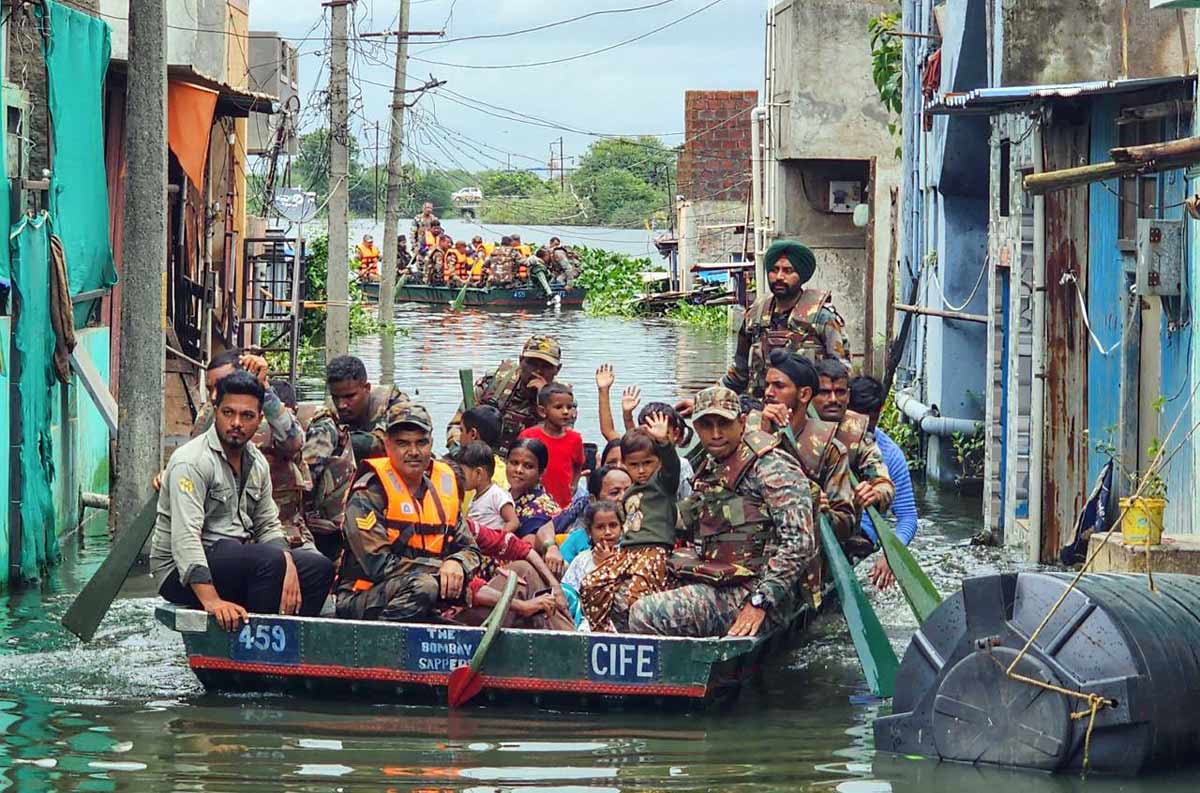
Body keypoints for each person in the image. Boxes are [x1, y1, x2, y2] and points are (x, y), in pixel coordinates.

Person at [629, 387, 818, 638]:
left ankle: (681, 674)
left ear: (741, 422)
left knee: (645, 613)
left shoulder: (771, 467)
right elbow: (687, 518)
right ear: (696, 428)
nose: (715, 434)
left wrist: (760, 601)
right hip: (719, 577)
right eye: (707, 425)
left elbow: (799, 543)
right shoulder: (712, 465)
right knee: (623, 598)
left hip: (761, 591)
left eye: (724, 424)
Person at [151, 371, 334, 629]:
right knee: (265, 561)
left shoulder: (256, 462)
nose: (236, 422)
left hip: (234, 559)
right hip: (180, 573)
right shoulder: (190, 461)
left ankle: (290, 644)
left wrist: (289, 563)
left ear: (259, 419)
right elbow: (185, 539)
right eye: (228, 413)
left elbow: (268, 524)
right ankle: (257, 651)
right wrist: (212, 601)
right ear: (216, 411)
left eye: (247, 416)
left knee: (319, 568)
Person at [336, 404, 482, 623]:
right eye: (402, 443)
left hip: (424, 593)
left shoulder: (444, 490)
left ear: (431, 444)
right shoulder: (367, 494)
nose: (413, 452)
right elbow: (379, 565)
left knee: (458, 594)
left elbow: (470, 549)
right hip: (364, 596)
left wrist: (458, 564)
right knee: (425, 586)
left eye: (421, 443)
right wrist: (441, 570)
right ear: (387, 446)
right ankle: (383, 646)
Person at [580, 414, 680, 633]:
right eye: (635, 465)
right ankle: (603, 633)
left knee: (636, 599)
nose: (642, 470)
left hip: (654, 551)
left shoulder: (663, 485)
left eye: (647, 463)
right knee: (591, 583)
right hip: (626, 553)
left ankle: (639, 641)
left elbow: (672, 466)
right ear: (625, 465)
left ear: (658, 462)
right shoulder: (628, 493)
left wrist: (664, 443)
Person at [303, 356, 409, 559]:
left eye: (350, 397)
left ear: (366, 388)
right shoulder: (329, 415)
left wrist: (345, 440)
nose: (342, 405)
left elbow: (388, 445)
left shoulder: (395, 403)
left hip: (393, 483)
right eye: (336, 398)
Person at [722, 240, 851, 401]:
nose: (780, 277)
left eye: (788, 271)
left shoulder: (822, 318)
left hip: (807, 413)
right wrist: (709, 399)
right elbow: (738, 373)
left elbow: (842, 372)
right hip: (761, 410)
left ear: (801, 276)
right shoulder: (755, 317)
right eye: (774, 270)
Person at [757, 350, 857, 543]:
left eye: (778, 386)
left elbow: (846, 525)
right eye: (767, 385)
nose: (769, 393)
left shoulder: (830, 450)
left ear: (804, 394)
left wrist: (822, 510)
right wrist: (762, 436)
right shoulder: (746, 433)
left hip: (803, 553)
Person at [849, 374, 920, 590]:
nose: (862, 430)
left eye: (869, 421)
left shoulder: (891, 454)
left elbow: (908, 517)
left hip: (862, 542)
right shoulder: (824, 441)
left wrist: (890, 554)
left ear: (879, 413)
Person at [446, 334, 562, 455]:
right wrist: (460, 452)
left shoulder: (562, 401)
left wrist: (544, 399)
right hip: (482, 459)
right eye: (532, 363)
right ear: (521, 361)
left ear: (557, 369)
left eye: (546, 367)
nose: (538, 371)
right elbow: (457, 425)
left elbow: (560, 442)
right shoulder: (493, 384)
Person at [812, 359, 895, 517]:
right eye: (824, 392)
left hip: (843, 527)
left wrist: (875, 493)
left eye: (840, 392)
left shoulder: (857, 433)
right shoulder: (796, 423)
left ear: (848, 396)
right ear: (809, 394)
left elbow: (884, 482)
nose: (833, 399)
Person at [504, 438, 567, 576]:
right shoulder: (503, 496)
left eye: (528, 466)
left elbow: (527, 553)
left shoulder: (540, 507)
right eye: (514, 463)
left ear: (542, 472)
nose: (518, 470)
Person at [518, 382, 584, 509]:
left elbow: (578, 465)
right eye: (559, 407)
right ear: (543, 411)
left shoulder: (575, 439)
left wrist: (574, 484)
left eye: (569, 407)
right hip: (531, 502)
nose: (565, 412)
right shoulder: (529, 436)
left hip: (562, 503)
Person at [561, 501, 622, 629]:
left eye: (613, 525)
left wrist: (607, 565)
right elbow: (569, 594)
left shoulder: (627, 556)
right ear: (589, 531)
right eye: (600, 527)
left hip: (618, 619)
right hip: (585, 620)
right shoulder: (582, 560)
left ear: (621, 527)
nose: (608, 532)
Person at [558, 464, 633, 565]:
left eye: (629, 491)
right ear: (593, 500)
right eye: (615, 493)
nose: (623, 497)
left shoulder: (645, 533)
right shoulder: (578, 539)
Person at [462, 441, 518, 533]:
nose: (460, 477)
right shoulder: (475, 498)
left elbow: (513, 522)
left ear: (479, 473)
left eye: (463, 473)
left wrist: (497, 540)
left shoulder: (497, 495)